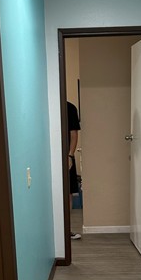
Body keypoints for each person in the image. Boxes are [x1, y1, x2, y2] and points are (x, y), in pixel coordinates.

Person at [67, 101, 81, 240]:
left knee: (68, 193)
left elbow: (74, 134)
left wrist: (70, 155)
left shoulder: (70, 108)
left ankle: (66, 230)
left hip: (66, 157)